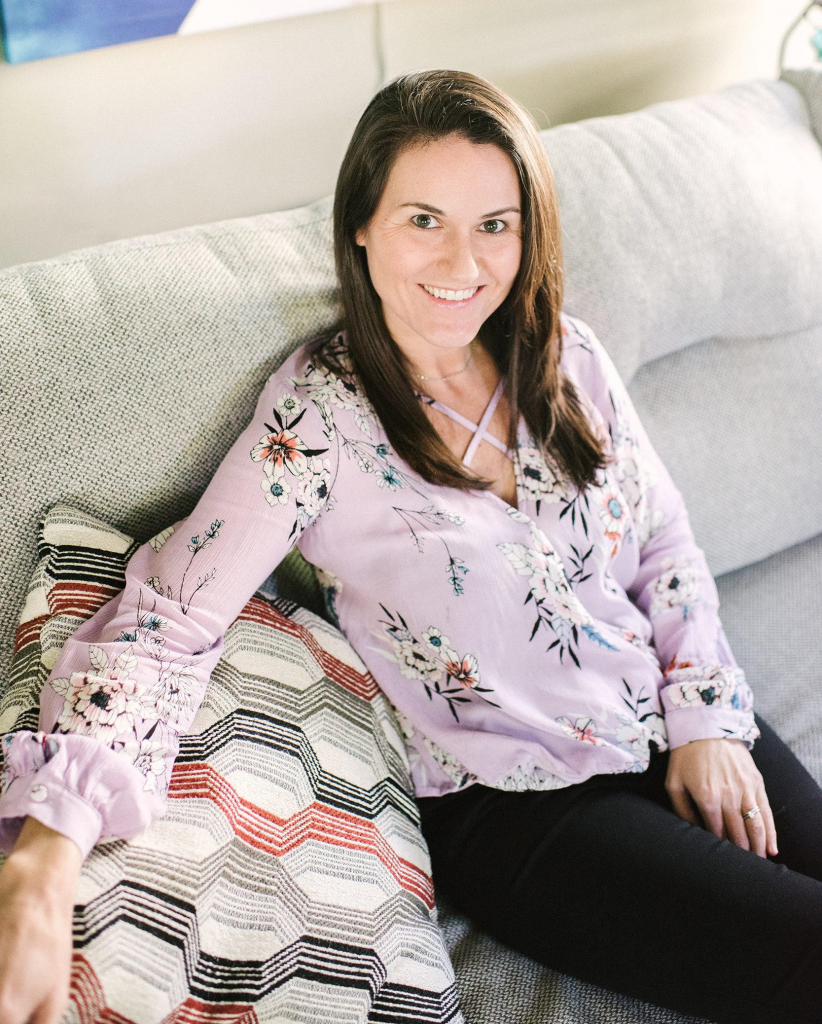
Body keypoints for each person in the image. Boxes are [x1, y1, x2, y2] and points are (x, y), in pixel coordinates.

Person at [1, 68, 821, 1024]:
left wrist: (708, 719)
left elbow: (665, 544)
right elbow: (168, 620)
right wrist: (43, 865)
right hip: (520, 809)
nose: (462, 261)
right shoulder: (320, 421)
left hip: (668, 719)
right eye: (423, 219)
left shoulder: (569, 357)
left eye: (494, 224)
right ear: (362, 223)